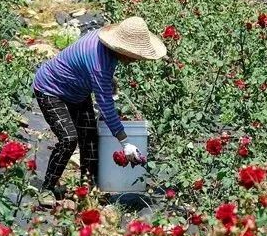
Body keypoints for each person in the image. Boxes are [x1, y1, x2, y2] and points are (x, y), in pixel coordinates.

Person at [32, 16, 167, 206]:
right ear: (122, 49)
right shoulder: (99, 63)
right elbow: (105, 105)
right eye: (133, 55)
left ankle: (87, 188)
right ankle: (47, 188)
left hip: (77, 90)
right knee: (69, 138)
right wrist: (125, 142)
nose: (135, 60)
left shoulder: (105, 46)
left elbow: (89, 69)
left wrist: (107, 81)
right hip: (50, 89)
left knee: (90, 140)